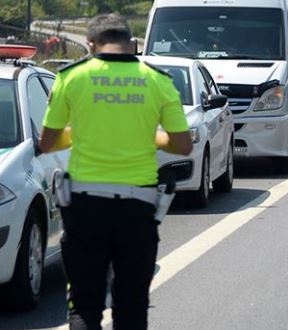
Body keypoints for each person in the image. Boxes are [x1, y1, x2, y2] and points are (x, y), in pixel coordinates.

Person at [38, 13, 193, 330]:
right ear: (131, 44)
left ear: (91, 44)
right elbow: (182, 145)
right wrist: (152, 136)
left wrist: (79, 132)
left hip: (84, 207)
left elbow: (48, 143)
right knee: (132, 305)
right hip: (137, 209)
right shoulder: (158, 80)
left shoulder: (72, 76)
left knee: (83, 306)